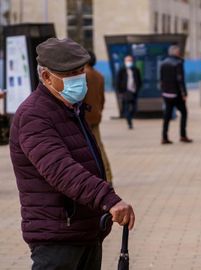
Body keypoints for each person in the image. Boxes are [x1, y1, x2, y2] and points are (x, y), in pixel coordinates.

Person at [9, 38, 135, 270]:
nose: (80, 78)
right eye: (70, 73)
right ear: (46, 77)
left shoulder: (69, 108)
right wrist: (108, 198)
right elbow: (61, 169)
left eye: (81, 71)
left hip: (84, 231)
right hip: (58, 237)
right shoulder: (34, 115)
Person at [84, 50, 113, 184]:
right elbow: (102, 99)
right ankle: (108, 176)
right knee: (99, 146)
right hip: (95, 115)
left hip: (84, 117)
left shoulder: (82, 75)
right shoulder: (99, 75)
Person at [160, 45, 193, 144]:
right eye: (178, 51)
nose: (180, 53)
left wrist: (163, 91)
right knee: (184, 113)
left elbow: (161, 79)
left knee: (167, 115)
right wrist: (184, 93)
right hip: (176, 94)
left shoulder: (163, 63)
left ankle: (164, 137)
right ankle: (183, 135)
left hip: (166, 94)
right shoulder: (178, 63)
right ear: (175, 52)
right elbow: (180, 80)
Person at [116, 55, 142, 129]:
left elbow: (139, 80)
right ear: (124, 61)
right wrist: (120, 91)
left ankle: (129, 116)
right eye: (127, 60)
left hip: (134, 91)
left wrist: (138, 89)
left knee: (134, 108)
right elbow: (118, 81)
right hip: (126, 91)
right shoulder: (121, 70)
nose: (129, 62)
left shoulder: (136, 69)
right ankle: (129, 122)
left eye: (130, 60)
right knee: (127, 107)